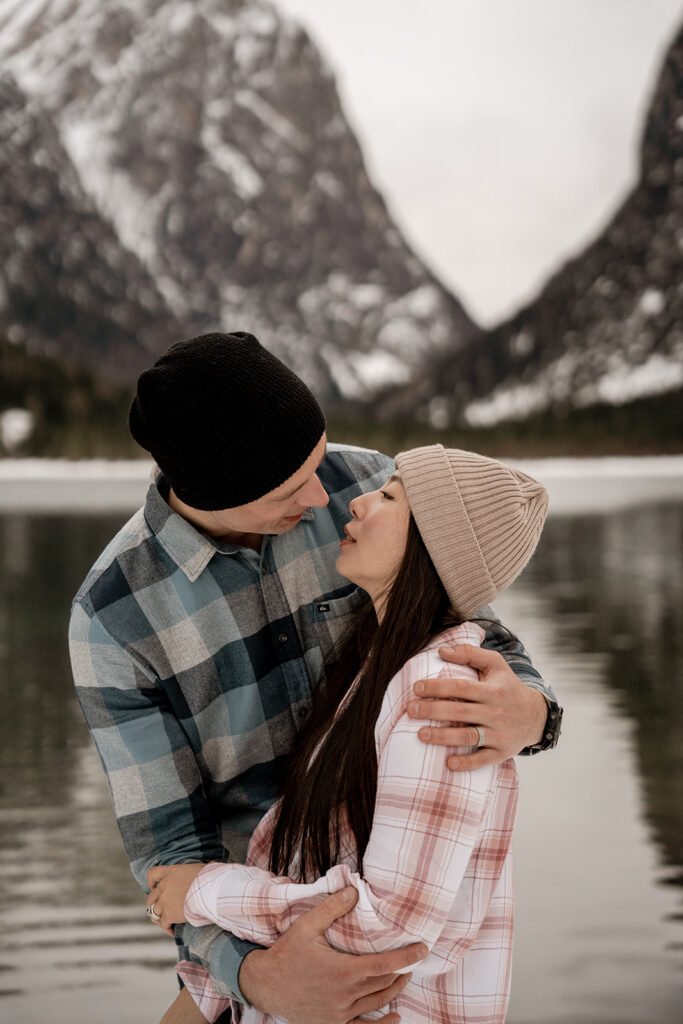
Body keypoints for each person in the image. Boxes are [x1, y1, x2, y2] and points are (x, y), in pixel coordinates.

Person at [68, 332, 561, 1024]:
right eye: (288, 485)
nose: (324, 493)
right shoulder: (113, 619)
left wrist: (535, 714)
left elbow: (474, 630)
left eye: (319, 456)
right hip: (258, 926)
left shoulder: (369, 489)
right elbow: (170, 851)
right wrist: (257, 977)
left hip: (384, 924)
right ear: (211, 491)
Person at [144, 444, 550, 1024]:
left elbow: (391, 922)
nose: (353, 502)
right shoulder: (379, 663)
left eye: (388, 497)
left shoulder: (437, 693)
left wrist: (206, 891)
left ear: (431, 547)